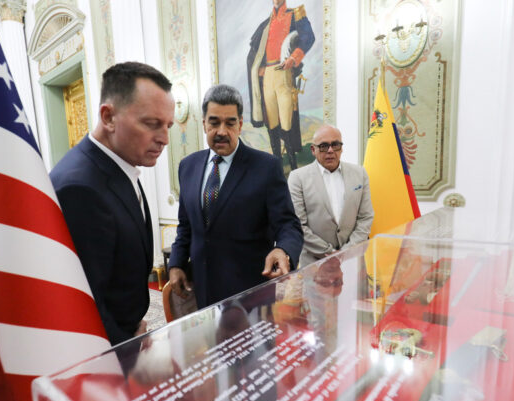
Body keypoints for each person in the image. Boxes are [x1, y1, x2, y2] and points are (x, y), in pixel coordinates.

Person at [50, 62, 175, 344]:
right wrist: (125, 344)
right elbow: (82, 304)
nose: (165, 139)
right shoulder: (79, 188)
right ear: (108, 117)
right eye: (152, 124)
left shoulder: (120, 164)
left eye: (168, 125)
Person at [168, 84, 303, 308]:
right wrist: (176, 264)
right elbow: (186, 225)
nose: (221, 131)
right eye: (214, 122)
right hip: (201, 290)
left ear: (240, 125)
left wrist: (283, 250)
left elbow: (288, 224)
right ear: (203, 124)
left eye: (230, 123)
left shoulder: (266, 167)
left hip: (250, 296)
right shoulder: (187, 166)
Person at [247, 0, 315, 171]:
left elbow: (308, 38)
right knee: (272, 124)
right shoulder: (265, 24)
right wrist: (258, 67)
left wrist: (294, 58)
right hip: (267, 75)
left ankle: (293, 167)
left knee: (287, 122)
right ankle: (277, 166)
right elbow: (256, 50)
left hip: (284, 72)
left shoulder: (295, 14)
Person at [288, 124, 374, 266]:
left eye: (335, 145)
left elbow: (366, 217)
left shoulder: (360, 174)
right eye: (323, 146)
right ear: (313, 150)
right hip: (314, 264)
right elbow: (298, 224)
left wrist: (346, 252)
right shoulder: (297, 178)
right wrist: (329, 253)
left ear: (341, 147)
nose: (330, 151)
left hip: (352, 260)